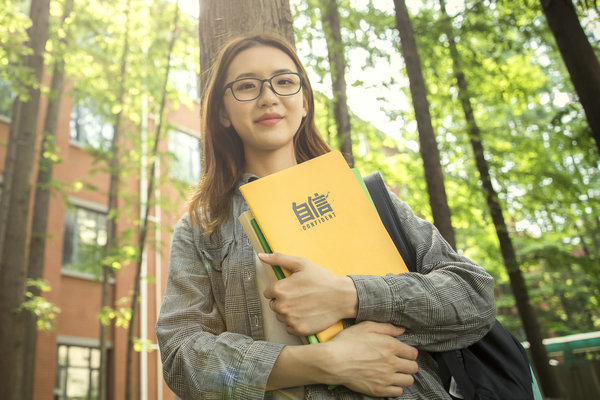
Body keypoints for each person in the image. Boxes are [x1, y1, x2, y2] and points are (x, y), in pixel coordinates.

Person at [156, 32, 496, 400]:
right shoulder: (202, 227)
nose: (268, 97)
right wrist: (323, 360)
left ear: (304, 102)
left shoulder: (364, 197)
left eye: (284, 82)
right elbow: (181, 357)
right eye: (247, 86)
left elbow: (475, 297)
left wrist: (349, 294)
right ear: (222, 112)